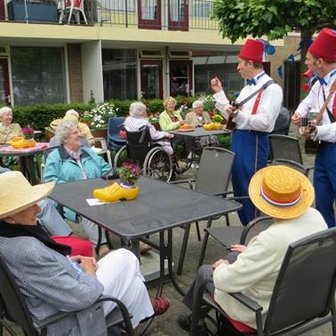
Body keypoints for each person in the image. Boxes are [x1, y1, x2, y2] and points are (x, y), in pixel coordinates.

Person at [0, 171, 169, 335]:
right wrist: (89, 270)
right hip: (67, 321)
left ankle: (139, 312)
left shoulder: (7, 238)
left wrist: (69, 261)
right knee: (128, 259)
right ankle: (141, 310)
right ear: (9, 217)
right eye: (30, 205)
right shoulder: (28, 251)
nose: (38, 209)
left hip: (52, 302)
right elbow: (81, 298)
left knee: (133, 282)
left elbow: (39, 273)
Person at [177, 165, 328, 335]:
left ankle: (196, 323)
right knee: (234, 255)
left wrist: (222, 267)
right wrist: (251, 252)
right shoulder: (316, 217)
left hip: (265, 310)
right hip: (305, 298)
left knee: (206, 273)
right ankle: (195, 318)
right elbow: (278, 252)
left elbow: (225, 281)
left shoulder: (272, 240)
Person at [211, 38, 283, 225]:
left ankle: (256, 233)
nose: (238, 67)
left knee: (252, 189)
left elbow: (266, 123)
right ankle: (247, 230)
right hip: (239, 138)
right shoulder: (246, 88)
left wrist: (239, 116)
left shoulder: (272, 89)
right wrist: (219, 93)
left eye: (240, 63)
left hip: (254, 141)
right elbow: (232, 116)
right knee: (239, 190)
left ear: (251, 63)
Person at [43, 120, 112, 254]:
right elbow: (50, 181)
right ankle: (101, 245)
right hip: (73, 198)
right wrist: (76, 188)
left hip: (99, 192)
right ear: (65, 138)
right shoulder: (55, 157)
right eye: (76, 132)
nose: (80, 134)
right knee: (87, 209)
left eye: (79, 131)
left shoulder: (88, 152)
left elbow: (106, 169)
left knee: (123, 202)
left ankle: (132, 239)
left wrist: (111, 176)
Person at [291, 28, 336, 228]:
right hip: (324, 150)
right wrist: (299, 113)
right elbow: (307, 102)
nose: (306, 62)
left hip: (332, 146)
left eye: (309, 59)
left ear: (320, 62)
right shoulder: (318, 84)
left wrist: (318, 131)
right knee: (322, 203)